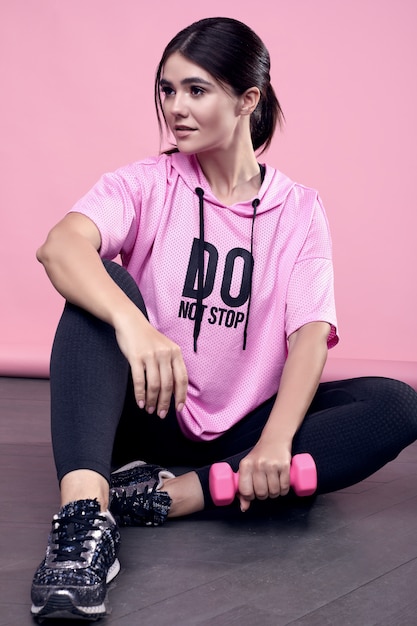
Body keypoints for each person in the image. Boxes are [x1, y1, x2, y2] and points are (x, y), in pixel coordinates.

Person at [30, 16, 417, 621]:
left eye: (196, 89)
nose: (174, 108)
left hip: (243, 427)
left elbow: (310, 334)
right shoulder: (146, 182)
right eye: (166, 89)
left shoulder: (301, 210)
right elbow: (60, 247)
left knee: (396, 405)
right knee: (99, 286)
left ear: (247, 100)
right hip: (151, 408)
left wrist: (275, 442)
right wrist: (137, 327)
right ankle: (85, 522)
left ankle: (180, 494)